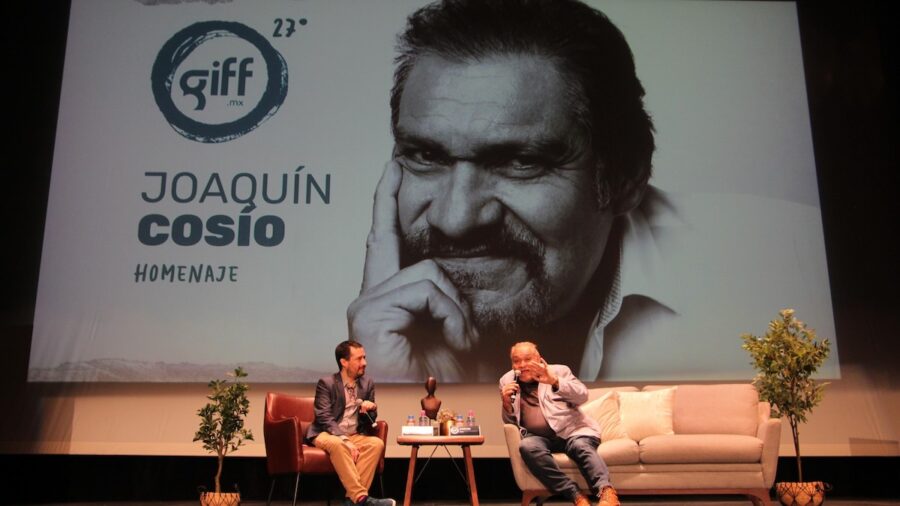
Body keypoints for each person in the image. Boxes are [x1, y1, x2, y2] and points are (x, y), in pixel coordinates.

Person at [347, 0, 660, 382]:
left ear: (625, 179)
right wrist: (399, 386)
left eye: (521, 162)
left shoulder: (719, 306)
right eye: (427, 155)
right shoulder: (374, 323)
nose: (456, 219)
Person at [499, 341, 619, 506]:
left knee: (580, 447)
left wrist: (555, 381)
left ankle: (606, 492)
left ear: (540, 359)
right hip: (539, 437)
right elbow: (510, 421)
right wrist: (505, 404)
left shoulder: (559, 371)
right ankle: (575, 494)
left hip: (573, 431)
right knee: (527, 446)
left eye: (528, 359)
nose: (522, 365)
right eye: (517, 360)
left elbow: (582, 396)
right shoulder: (507, 380)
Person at [305, 340, 395, 506]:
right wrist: (343, 439)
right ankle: (361, 498)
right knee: (338, 444)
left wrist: (371, 408)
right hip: (325, 433)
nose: (364, 363)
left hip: (354, 434)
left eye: (365, 358)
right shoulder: (327, 383)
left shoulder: (367, 383)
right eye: (359, 359)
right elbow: (324, 417)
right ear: (344, 362)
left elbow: (370, 420)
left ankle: (351, 502)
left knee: (376, 444)